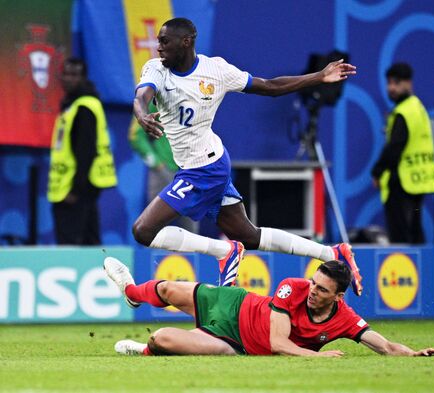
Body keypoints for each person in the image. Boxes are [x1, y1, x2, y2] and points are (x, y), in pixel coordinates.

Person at [132, 18, 362, 295]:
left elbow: (269, 86)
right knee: (249, 236)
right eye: (158, 41)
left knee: (143, 231)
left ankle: (223, 251)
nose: (159, 47)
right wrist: (142, 114)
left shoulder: (215, 70)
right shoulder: (156, 68)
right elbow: (142, 96)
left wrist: (318, 76)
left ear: (186, 42)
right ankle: (332, 252)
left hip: (204, 169)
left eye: (164, 41)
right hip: (207, 163)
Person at [104, 257, 434, 357]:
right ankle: (133, 292)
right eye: (313, 283)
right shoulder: (292, 287)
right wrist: (318, 357)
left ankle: (143, 354)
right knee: (166, 287)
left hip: (233, 344)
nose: (312, 291)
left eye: (322, 290)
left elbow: (382, 345)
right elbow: (280, 344)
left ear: (338, 296)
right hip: (233, 304)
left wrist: (412, 354)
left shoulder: (344, 319)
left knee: (160, 338)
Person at [47, 57, 117, 244]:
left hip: (76, 190)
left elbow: (85, 152)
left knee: (73, 247)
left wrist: (76, 190)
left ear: (84, 78)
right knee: (89, 243)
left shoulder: (84, 108)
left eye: (75, 75)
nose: (69, 79)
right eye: (66, 74)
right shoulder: (72, 104)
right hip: (74, 188)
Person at [371, 63, 434, 244]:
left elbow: (395, 147)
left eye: (396, 83)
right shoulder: (417, 107)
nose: (391, 88)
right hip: (419, 179)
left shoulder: (403, 111)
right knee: (415, 231)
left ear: (409, 83)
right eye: (389, 83)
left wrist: (377, 171)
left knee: (401, 236)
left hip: (402, 180)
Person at [128, 102, 197, 232]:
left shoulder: (197, 95)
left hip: (190, 170)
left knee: (190, 223)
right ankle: (152, 253)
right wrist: (156, 163)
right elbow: (136, 136)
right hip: (165, 169)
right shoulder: (157, 97)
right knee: (152, 225)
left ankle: (191, 253)